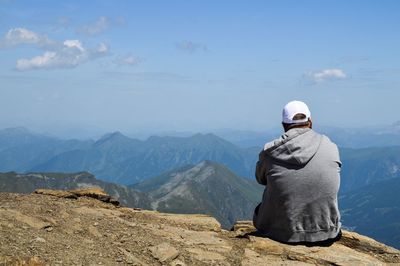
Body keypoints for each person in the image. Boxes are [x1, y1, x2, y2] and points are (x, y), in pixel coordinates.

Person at [253, 100, 342, 244]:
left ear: (284, 125)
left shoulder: (270, 151)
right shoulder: (331, 147)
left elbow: (260, 179)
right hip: (327, 232)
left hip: (280, 234)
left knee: (259, 208)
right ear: (310, 122)